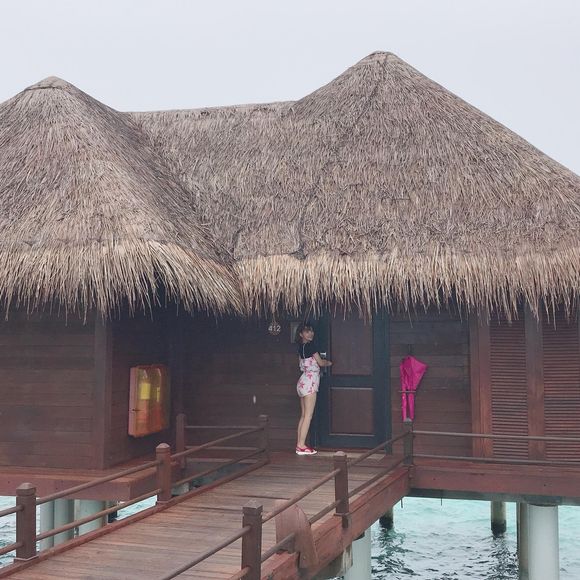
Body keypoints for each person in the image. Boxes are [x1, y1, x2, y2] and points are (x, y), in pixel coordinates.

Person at [295, 322, 332, 455]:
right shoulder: (311, 346)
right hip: (310, 383)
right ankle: (301, 445)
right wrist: (329, 362)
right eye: (307, 331)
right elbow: (320, 362)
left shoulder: (301, 347)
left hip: (302, 381)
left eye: (311, 331)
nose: (310, 333)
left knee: (303, 415)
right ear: (301, 334)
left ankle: (299, 444)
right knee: (308, 415)